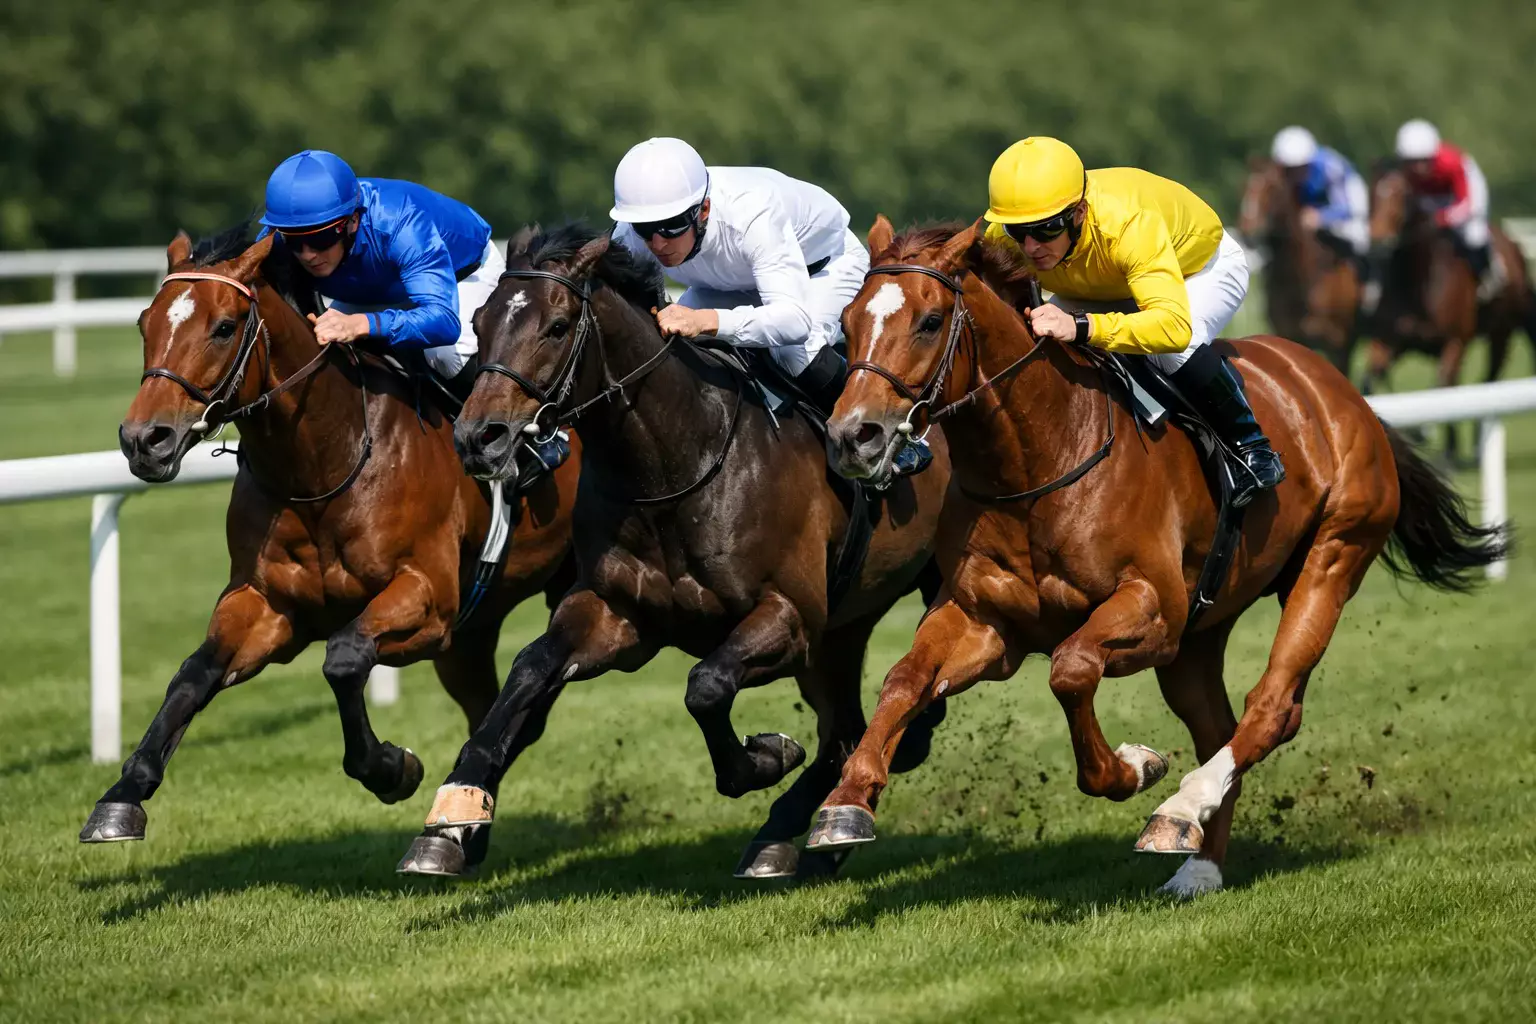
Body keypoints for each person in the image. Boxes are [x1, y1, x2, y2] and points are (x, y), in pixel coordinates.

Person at [983, 136, 1284, 507]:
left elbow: (1172, 327)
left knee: (1171, 350)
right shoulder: (1004, 236)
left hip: (1196, 269)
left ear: (1078, 213)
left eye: (1046, 229)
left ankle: (1250, 447)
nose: (1030, 247)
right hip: (1097, 282)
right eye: (1019, 231)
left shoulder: (1127, 224)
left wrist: (1083, 326)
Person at [607, 136, 930, 477]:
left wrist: (706, 320)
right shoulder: (631, 235)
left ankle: (887, 441)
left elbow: (793, 321)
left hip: (822, 269)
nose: (658, 243)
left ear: (703, 210)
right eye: (645, 229)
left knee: (793, 353)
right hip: (731, 282)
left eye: (672, 226)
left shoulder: (752, 213)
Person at [1393, 119, 1500, 299]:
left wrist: (1442, 219)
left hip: (1464, 196)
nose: (1417, 168)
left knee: (1474, 235)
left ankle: (1488, 275)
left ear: (1433, 157)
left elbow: (1468, 203)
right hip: (1433, 198)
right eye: (1411, 162)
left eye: (1423, 161)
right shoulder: (1404, 172)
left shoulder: (1452, 163)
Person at [1270, 125, 1370, 259]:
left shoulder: (1331, 168)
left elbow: (1349, 208)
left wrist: (1321, 217)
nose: (1294, 174)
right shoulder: (1283, 176)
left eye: (1299, 167)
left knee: (1357, 238)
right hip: (1317, 206)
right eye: (1289, 169)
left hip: (1346, 203)